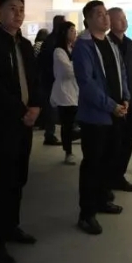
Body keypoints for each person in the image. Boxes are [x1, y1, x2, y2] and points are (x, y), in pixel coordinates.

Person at [0, 0, 42, 263]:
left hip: (26, 119)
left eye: (21, 9)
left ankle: (11, 226)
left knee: (19, 176)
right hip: (4, 120)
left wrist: (36, 106)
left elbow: (34, 79)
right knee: (4, 179)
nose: (18, 14)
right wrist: (21, 111)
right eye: (12, 9)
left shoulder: (24, 44)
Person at [72, 0, 130, 235]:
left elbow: (121, 73)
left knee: (109, 160)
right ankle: (86, 214)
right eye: (99, 14)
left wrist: (125, 98)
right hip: (95, 116)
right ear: (88, 20)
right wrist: (110, 105)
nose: (105, 18)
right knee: (92, 164)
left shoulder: (111, 44)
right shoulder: (83, 46)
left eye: (106, 13)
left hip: (116, 113)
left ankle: (102, 200)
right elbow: (86, 83)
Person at [107, 7, 132, 192]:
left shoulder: (130, 43)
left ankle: (119, 177)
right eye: (119, 19)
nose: (124, 22)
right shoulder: (106, 43)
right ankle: (109, 178)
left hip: (130, 98)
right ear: (110, 21)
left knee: (128, 140)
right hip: (114, 101)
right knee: (114, 143)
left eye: (125, 18)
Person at [50, 21, 79, 165]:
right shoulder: (59, 51)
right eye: (72, 30)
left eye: (75, 30)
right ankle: (68, 151)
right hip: (64, 92)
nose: (75, 33)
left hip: (75, 91)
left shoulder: (74, 49)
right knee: (67, 124)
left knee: (73, 122)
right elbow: (68, 71)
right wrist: (78, 66)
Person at [37, 15, 66, 145]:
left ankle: (51, 133)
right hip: (51, 79)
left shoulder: (51, 39)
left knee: (53, 107)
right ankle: (49, 134)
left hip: (51, 78)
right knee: (52, 107)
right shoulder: (54, 41)